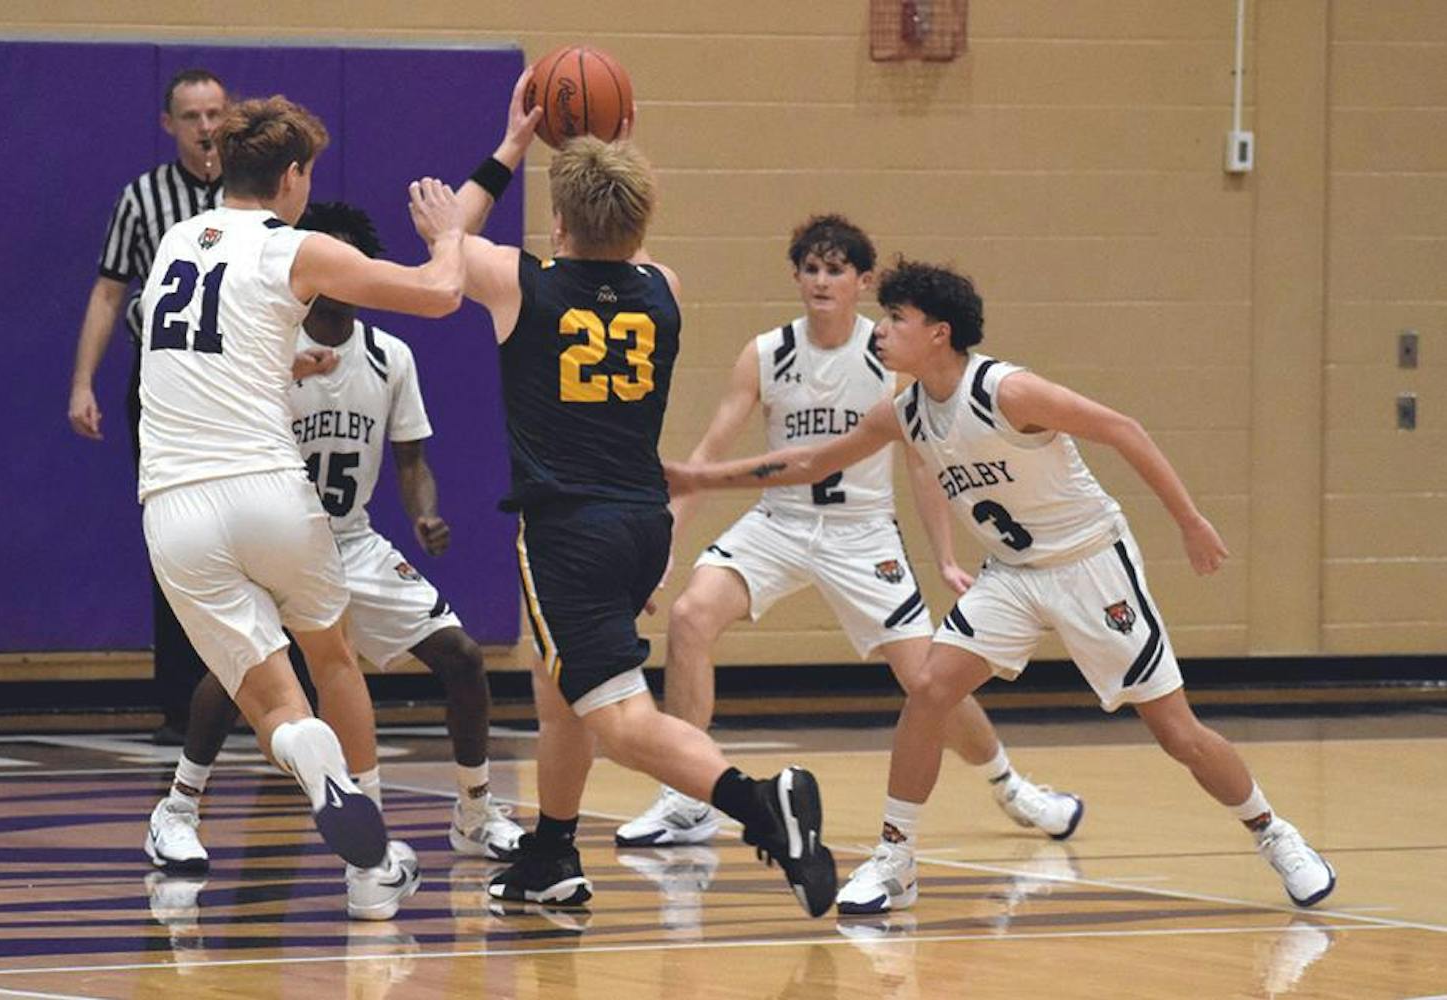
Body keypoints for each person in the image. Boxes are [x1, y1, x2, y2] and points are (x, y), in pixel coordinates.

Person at [667, 259, 1337, 913]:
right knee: (929, 690)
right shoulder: (904, 411)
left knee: (1176, 733)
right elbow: (811, 461)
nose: (881, 330)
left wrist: (1189, 522)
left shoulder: (1006, 390)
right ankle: (896, 859)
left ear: (938, 333)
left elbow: (1122, 429)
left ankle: (1273, 833)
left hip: (1088, 564)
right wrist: (699, 478)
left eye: (895, 318)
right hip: (1012, 575)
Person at [455, 124, 837, 917]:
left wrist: (511, 146)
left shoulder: (523, 284)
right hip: (640, 523)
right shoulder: (662, 285)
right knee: (561, 689)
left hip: (569, 532)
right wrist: (611, 156)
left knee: (623, 722)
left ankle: (762, 805)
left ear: (558, 222)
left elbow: (448, 244)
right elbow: (618, 242)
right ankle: (552, 852)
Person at [618, 215, 1083, 851]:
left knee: (927, 678)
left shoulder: (889, 356)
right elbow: (709, 454)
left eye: (835, 270)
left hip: (862, 534)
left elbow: (922, 462)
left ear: (862, 282)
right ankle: (687, 797)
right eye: (811, 268)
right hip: (780, 522)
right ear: (795, 276)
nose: (821, 280)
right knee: (690, 616)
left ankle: (1011, 785)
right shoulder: (766, 353)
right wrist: (664, 542)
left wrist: (946, 556)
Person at [142, 200, 526, 918]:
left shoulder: (389, 357)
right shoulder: (262, 337)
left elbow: (411, 457)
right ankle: (182, 806)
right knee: (239, 675)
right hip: (283, 524)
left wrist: (424, 512)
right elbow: (439, 291)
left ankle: (474, 811)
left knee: (460, 655)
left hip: (346, 537)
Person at [67, 68, 229, 745]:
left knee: (254, 530)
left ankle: (265, 691)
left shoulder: (254, 190)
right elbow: (109, 292)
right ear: (169, 125)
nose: (206, 127)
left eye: (215, 113)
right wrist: (83, 382)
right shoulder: (142, 198)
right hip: (164, 381)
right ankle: (181, 703)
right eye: (192, 116)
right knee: (175, 534)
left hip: (240, 379)